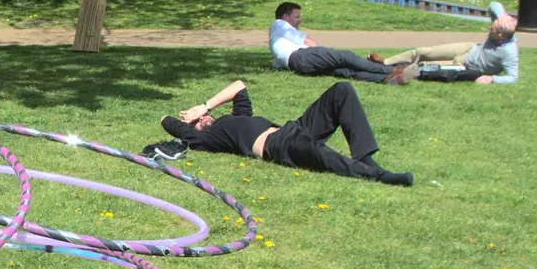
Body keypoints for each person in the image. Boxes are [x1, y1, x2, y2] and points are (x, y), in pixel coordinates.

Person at [156, 79, 414, 186]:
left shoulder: (238, 116)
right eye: (198, 120)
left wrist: (204, 105)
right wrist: (187, 120)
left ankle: (366, 157)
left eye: (203, 116)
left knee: (342, 90)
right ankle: (378, 175)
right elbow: (166, 120)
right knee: (316, 152)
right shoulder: (206, 138)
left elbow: (239, 86)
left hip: (294, 128)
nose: (204, 118)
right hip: (277, 145)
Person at [268, 1, 414, 84]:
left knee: (345, 71)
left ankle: (385, 79)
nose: (299, 19)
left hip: (299, 65)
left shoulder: (277, 38)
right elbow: (307, 41)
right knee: (345, 57)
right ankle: (392, 70)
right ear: (285, 17)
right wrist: (324, 54)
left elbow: (278, 61)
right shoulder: (279, 24)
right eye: (297, 16)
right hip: (302, 57)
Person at [383, 3, 519, 83]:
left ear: (501, 36)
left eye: (492, 30)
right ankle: (384, 62)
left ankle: (388, 73)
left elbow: (512, 77)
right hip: (469, 49)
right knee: (423, 52)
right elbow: (493, 4)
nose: (489, 30)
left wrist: (492, 79)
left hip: (466, 67)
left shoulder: (509, 53)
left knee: (425, 66)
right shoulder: (501, 24)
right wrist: (501, 14)